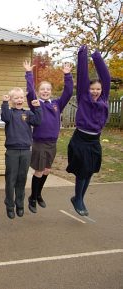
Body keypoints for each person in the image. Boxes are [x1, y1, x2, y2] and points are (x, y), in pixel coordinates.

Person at [24, 60, 73, 213]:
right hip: (39, 142)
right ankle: (32, 197)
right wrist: (28, 73)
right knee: (38, 171)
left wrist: (67, 75)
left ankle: (38, 194)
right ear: (39, 92)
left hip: (52, 143)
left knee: (46, 171)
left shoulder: (57, 104)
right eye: (42, 89)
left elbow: (68, 92)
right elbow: (30, 91)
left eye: (48, 89)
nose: (45, 91)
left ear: (51, 91)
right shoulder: (35, 103)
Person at [67, 45, 110, 216]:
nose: (95, 91)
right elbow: (83, 75)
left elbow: (105, 76)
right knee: (82, 170)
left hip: (94, 140)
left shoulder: (104, 97)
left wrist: (97, 56)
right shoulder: (83, 96)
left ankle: (79, 199)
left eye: (98, 89)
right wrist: (83, 54)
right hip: (81, 139)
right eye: (93, 88)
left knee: (91, 170)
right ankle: (78, 198)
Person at [1, 87, 42, 219]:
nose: (19, 100)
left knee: (21, 179)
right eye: (16, 98)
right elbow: (4, 117)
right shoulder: (10, 113)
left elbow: (38, 121)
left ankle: (20, 204)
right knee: (11, 179)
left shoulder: (28, 113)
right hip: (12, 151)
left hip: (25, 151)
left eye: (21, 98)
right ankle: (9, 205)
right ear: (12, 100)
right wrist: (4, 103)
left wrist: (37, 108)